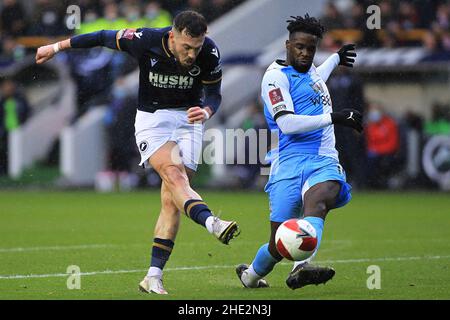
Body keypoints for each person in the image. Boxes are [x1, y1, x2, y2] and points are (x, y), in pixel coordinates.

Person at [35, 10, 240, 295]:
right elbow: (102, 37)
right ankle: (212, 222)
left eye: (196, 47)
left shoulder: (209, 51)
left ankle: (153, 276)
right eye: (186, 47)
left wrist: (207, 110)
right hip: (153, 119)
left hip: (189, 122)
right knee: (174, 175)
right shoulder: (145, 39)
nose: (192, 54)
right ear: (173, 35)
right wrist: (56, 47)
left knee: (173, 199)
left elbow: (215, 93)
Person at [236, 14, 362, 289]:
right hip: (288, 161)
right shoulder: (274, 79)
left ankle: (301, 268)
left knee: (318, 203)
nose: (305, 54)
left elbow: (318, 76)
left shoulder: (311, 70)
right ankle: (250, 276)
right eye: (300, 47)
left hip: (323, 159)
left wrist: (337, 58)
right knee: (277, 243)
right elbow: (287, 124)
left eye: (311, 49)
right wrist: (335, 117)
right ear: (287, 45)